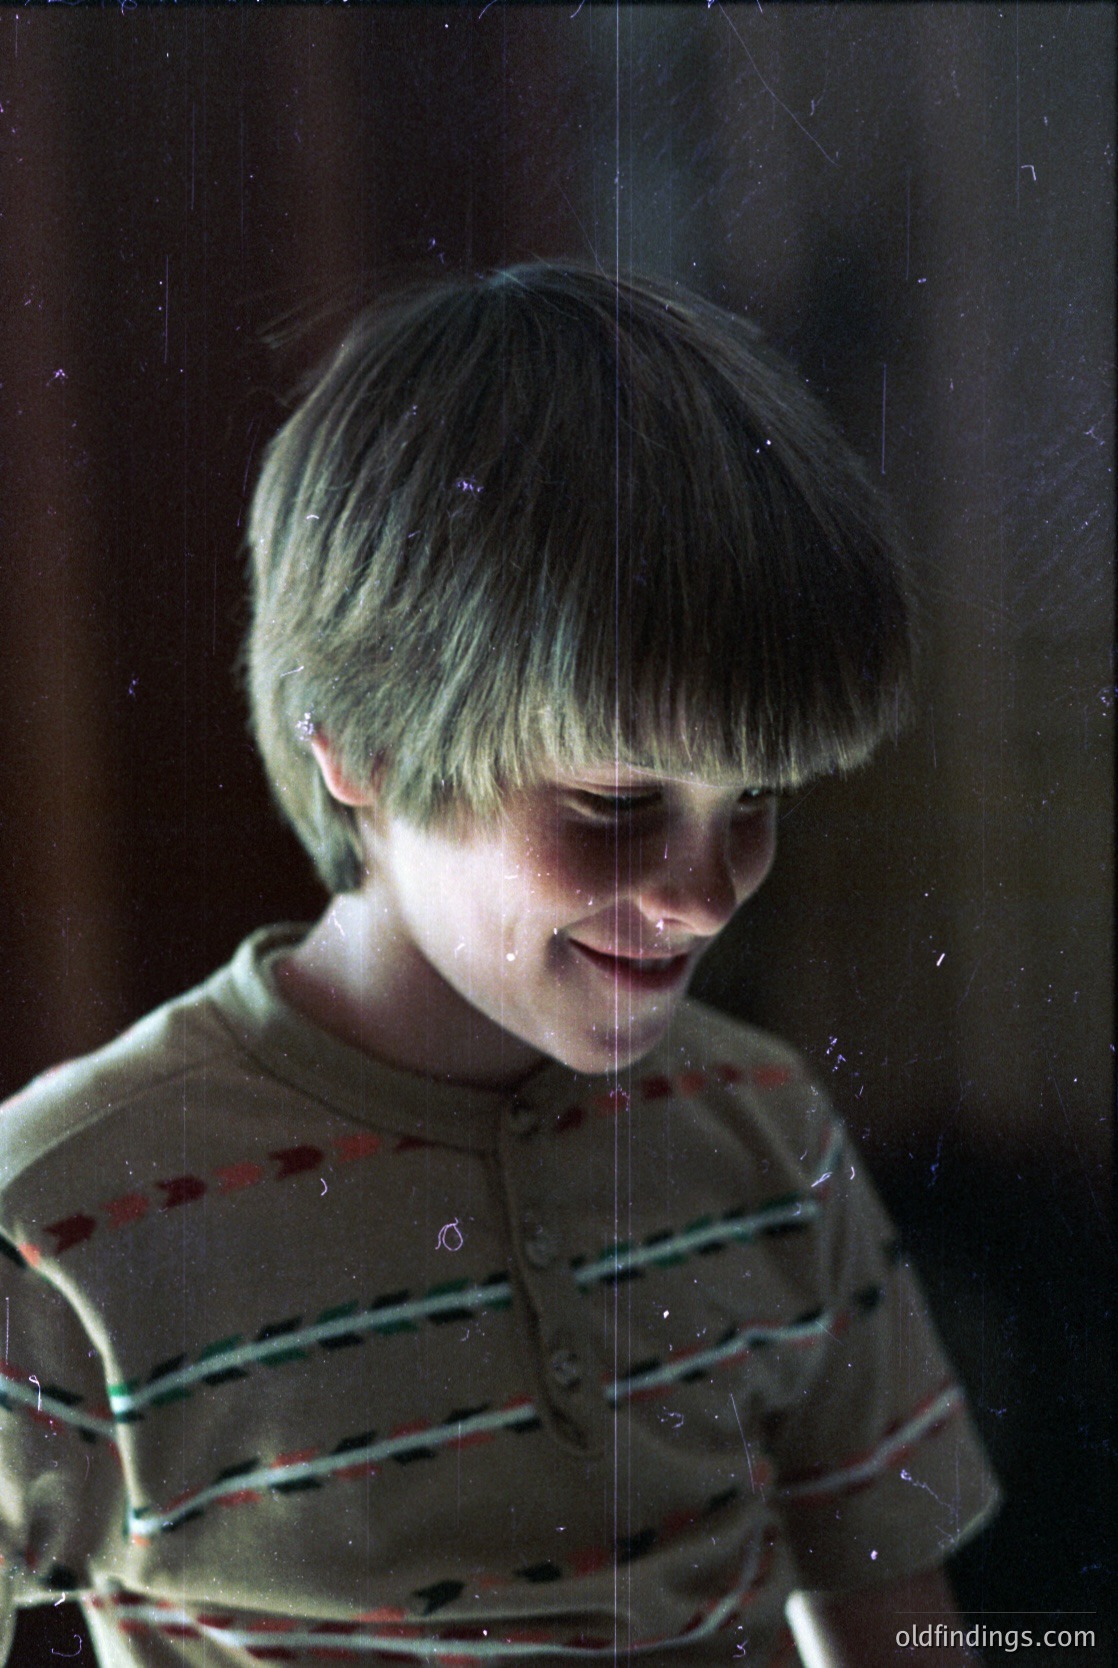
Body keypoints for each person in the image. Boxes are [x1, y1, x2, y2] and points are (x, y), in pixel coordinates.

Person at [0, 264, 999, 1667]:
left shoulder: (766, 1132)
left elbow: (905, 1634)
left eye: (755, 802)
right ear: (362, 750)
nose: (708, 893)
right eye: (612, 804)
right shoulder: (55, 1221)